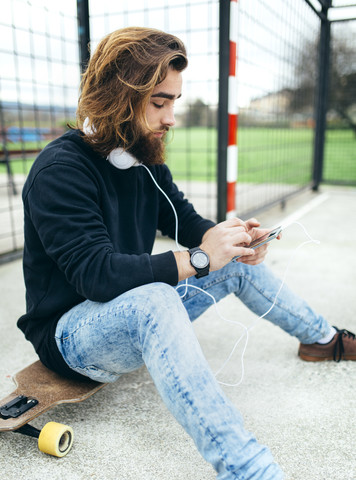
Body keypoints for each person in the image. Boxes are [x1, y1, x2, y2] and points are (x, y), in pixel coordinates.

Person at [18, 27, 356, 479]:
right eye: (159, 102)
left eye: (174, 101)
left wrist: (231, 239)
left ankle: (322, 340)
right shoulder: (60, 171)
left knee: (226, 258)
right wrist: (199, 258)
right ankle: (248, 470)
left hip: (127, 307)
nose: (171, 117)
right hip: (71, 336)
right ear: (119, 96)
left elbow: (186, 221)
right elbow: (96, 276)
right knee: (155, 298)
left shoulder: (141, 158)